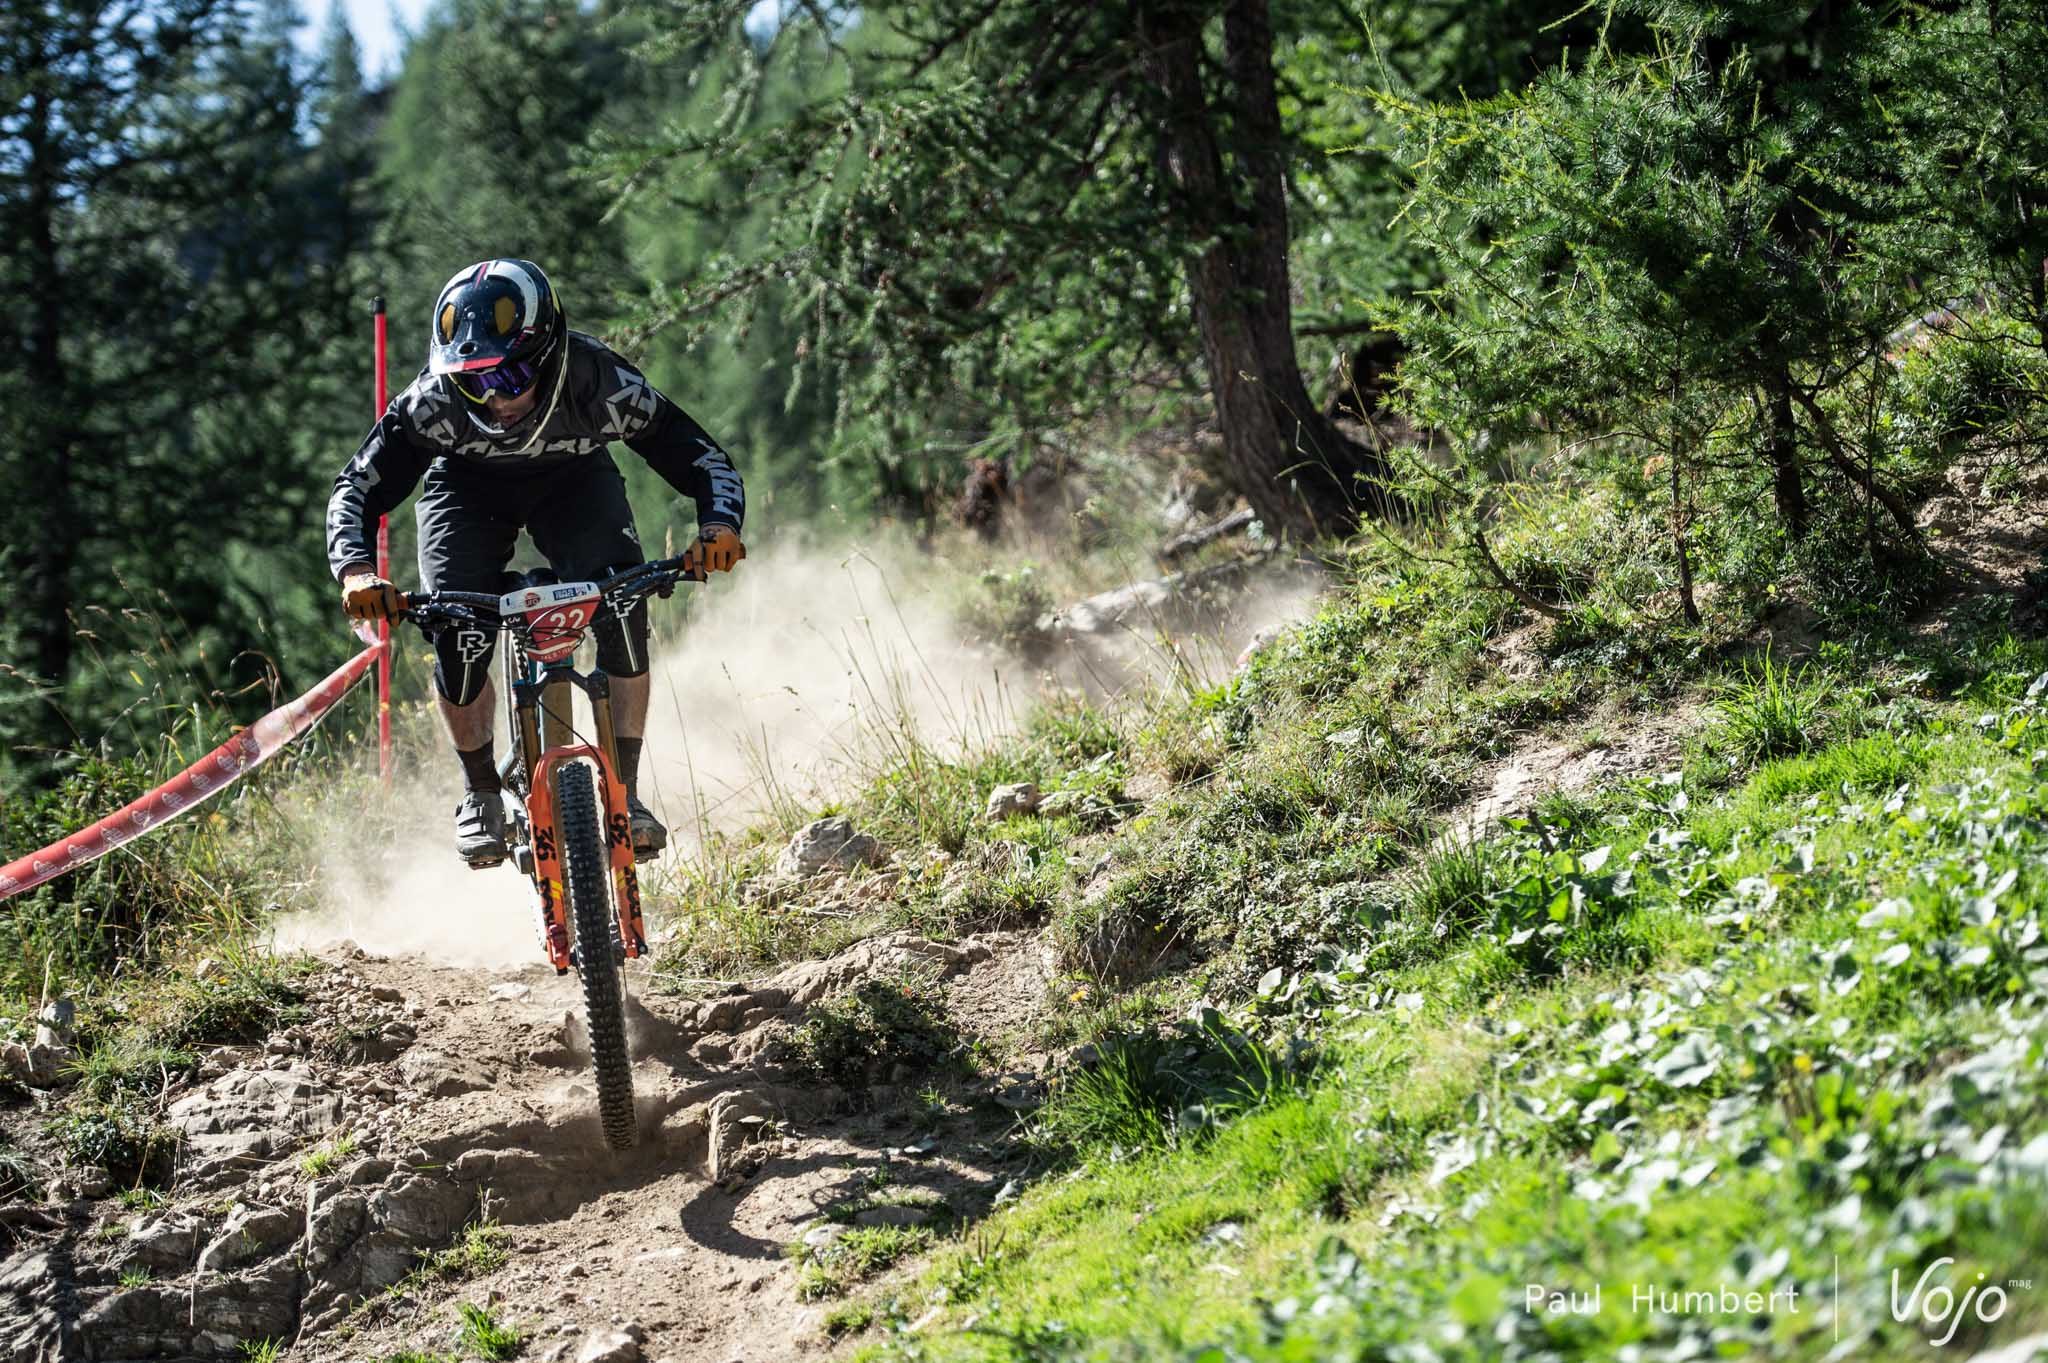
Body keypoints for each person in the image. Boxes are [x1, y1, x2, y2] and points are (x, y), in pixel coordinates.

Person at [325, 258, 746, 866]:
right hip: (464, 490)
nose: (495, 395)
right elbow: (355, 489)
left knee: (622, 609)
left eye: (513, 372)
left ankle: (624, 793)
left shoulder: (598, 378)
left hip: (573, 479)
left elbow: (701, 456)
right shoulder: (430, 401)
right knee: (457, 629)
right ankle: (480, 794)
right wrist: (358, 572)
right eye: (474, 380)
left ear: (550, 350)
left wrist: (718, 527)